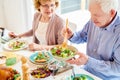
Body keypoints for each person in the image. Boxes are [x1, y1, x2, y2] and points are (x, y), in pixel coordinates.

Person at [62, 0, 120, 80]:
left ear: (112, 12)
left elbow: (118, 68)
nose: (92, 19)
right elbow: (82, 36)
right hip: (87, 72)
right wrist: (71, 35)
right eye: (91, 13)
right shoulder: (94, 21)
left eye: (96, 15)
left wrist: (88, 61)